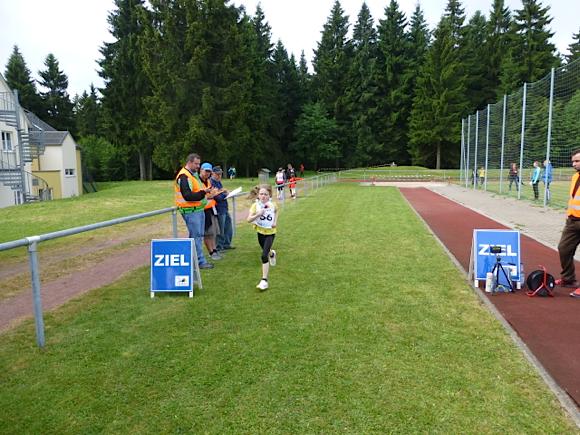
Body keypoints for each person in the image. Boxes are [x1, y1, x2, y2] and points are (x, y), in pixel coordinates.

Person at [175, 154, 215, 269]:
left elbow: (196, 191)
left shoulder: (192, 175)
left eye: (199, 164)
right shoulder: (184, 176)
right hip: (190, 210)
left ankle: (198, 260)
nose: (198, 166)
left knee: (198, 236)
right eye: (196, 164)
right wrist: (204, 192)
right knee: (196, 237)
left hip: (197, 209)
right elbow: (188, 195)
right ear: (189, 162)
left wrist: (204, 191)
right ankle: (199, 262)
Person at [556, 150, 580, 298]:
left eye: (577, 161)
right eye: (573, 161)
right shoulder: (575, 176)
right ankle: (568, 278)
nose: (574, 164)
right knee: (563, 248)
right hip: (572, 221)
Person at [247, 184, 278, 291]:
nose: (263, 196)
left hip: (270, 232)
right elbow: (248, 219)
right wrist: (258, 214)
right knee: (267, 251)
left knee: (264, 256)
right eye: (261, 194)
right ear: (258, 195)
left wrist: (274, 222)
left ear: (269, 195)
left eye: (265, 194)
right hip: (260, 232)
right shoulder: (255, 206)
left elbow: (276, 212)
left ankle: (264, 280)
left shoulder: (273, 205)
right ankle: (272, 253)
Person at [199, 162, 223, 261]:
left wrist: (213, 194)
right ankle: (211, 252)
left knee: (213, 231)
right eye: (206, 171)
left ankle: (214, 250)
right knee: (207, 233)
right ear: (201, 170)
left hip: (211, 209)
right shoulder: (197, 181)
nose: (207, 173)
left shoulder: (208, 181)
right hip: (203, 210)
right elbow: (203, 196)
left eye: (209, 172)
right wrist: (212, 194)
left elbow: (211, 194)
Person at [210, 166, 235, 252]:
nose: (219, 176)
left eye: (220, 174)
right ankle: (219, 247)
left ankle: (226, 244)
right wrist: (224, 193)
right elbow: (217, 197)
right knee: (220, 229)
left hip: (224, 207)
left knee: (228, 227)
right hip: (219, 209)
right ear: (212, 173)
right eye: (217, 174)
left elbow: (221, 193)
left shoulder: (218, 182)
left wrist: (223, 192)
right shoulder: (211, 183)